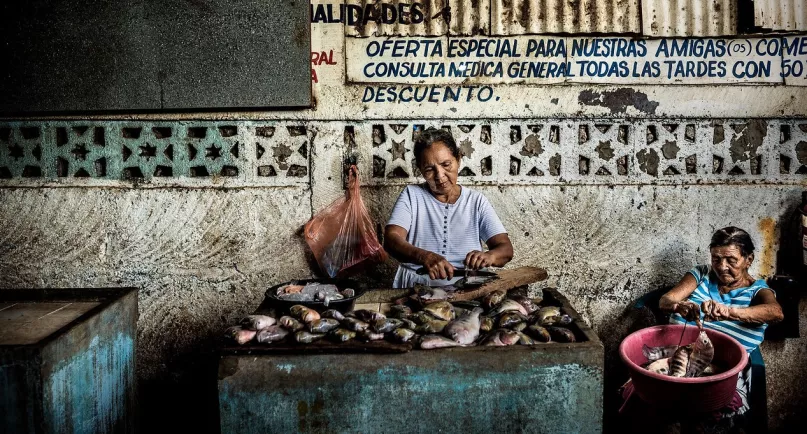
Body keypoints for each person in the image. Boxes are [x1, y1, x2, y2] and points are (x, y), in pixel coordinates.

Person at [659, 226, 784, 419]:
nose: (722, 266)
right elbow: (665, 301)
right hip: (673, 358)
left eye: (731, 260)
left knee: (697, 411)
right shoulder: (701, 274)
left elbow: (776, 313)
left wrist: (729, 312)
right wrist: (679, 307)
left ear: (748, 259)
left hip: (720, 372)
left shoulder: (757, 290)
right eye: (716, 259)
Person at [384, 127, 513, 288]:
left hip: (467, 288)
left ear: (458, 159)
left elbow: (506, 248)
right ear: (420, 170)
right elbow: (391, 239)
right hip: (416, 287)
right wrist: (425, 257)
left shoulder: (476, 201)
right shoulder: (412, 195)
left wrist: (490, 256)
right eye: (429, 169)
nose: (440, 175)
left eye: (446, 164)